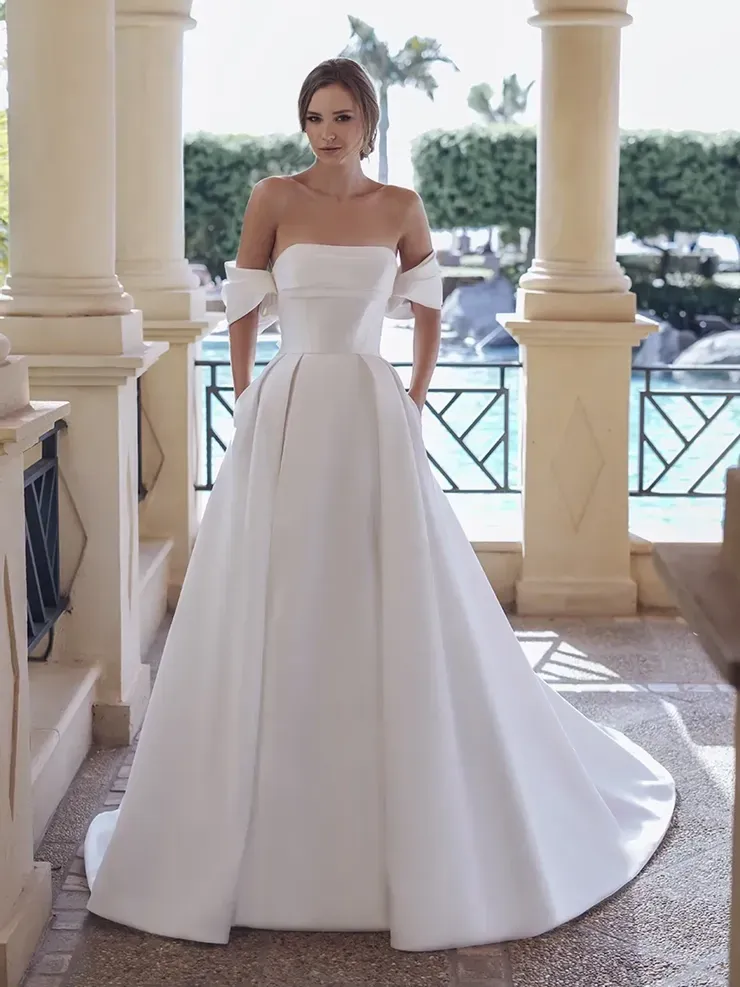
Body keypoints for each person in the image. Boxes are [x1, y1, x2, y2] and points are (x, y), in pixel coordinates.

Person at [84, 57, 675, 952]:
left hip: (368, 406)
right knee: (279, 589)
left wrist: (417, 391)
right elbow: (245, 302)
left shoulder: (399, 206)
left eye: (344, 116)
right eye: (316, 116)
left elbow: (429, 300)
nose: (328, 131)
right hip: (286, 407)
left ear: (369, 122)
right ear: (306, 123)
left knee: (380, 584)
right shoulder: (272, 197)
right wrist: (246, 396)